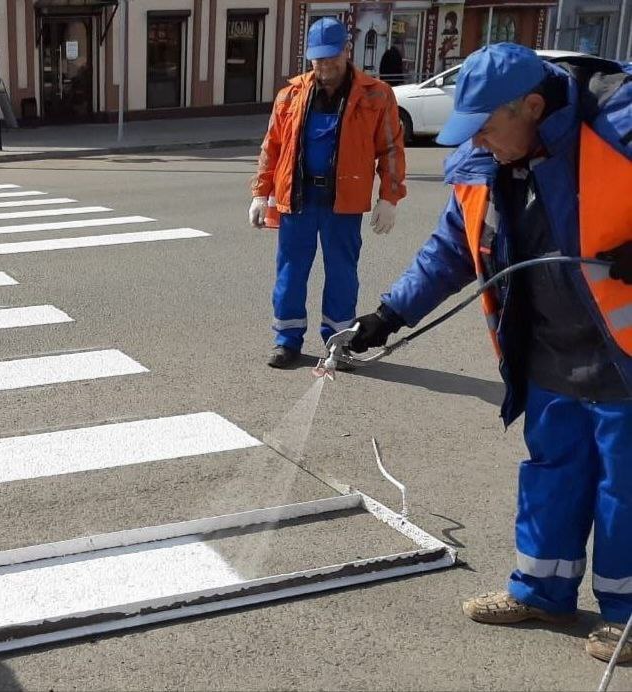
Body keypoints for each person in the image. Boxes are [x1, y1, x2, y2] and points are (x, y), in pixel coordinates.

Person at [348, 44, 632, 663]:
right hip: (550, 352)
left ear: (532, 106)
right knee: (553, 475)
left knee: (626, 490)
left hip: (626, 355)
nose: (475, 143)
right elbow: (451, 250)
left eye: (484, 127)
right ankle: (542, 590)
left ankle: (629, 616)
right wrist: (388, 316)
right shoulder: (489, 164)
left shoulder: (619, 128)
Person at [249, 17, 406, 369]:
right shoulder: (290, 95)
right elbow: (271, 147)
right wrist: (261, 194)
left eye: (332, 57)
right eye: (318, 59)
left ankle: (339, 344)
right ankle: (287, 341)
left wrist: (389, 197)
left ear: (347, 51)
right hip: (299, 200)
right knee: (290, 272)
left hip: (343, 203)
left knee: (342, 274)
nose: (325, 65)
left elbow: (392, 149)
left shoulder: (376, 95)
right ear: (309, 58)